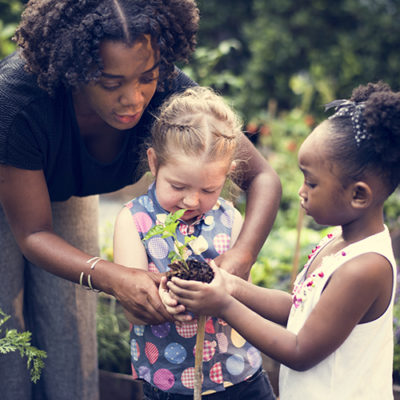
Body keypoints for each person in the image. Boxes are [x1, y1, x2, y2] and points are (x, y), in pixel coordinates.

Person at [0, 1, 281, 399]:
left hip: (70, 187)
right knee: (4, 332)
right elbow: (32, 234)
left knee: (69, 325)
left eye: (145, 78)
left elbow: (264, 178)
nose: (134, 99)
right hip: (7, 173)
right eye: (112, 84)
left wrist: (239, 259)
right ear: (74, 73)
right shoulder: (16, 102)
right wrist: (112, 275)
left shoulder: (168, 90)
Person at [166, 81, 400, 399]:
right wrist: (232, 286)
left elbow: (300, 351)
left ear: (358, 195)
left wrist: (223, 305)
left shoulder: (365, 268)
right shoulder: (338, 243)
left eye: (311, 182)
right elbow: (298, 310)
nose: (301, 191)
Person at [113, 86, 277, 399]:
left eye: (209, 189)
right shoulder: (134, 220)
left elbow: (244, 293)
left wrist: (225, 291)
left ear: (228, 175)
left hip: (240, 376)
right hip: (171, 382)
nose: (191, 200)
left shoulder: (230, 219)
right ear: (154, 163)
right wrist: (164, 301)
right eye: (178, 186)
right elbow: (133, 307)